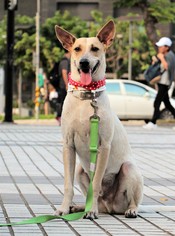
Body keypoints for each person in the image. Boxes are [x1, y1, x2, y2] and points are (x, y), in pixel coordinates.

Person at [143, 37, 175, 130]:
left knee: (157, 102)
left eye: (161, 46)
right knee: (167, 104)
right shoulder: (166, 55)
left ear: (167, 47)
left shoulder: (170, 56)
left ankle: (153, 122)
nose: (159, 48)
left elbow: (167, 67)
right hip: (162, 83)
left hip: (165, 83)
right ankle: (153, 122)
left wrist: (161, 58)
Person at [56, 50, 70, 124]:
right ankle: (61, 118)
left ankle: (62, 118)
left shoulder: (66, 60)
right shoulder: (65, 61)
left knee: (64, 102)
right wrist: (67, 84)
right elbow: (64, 72)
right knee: (64, 102)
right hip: (63, 86)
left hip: (63, 85)